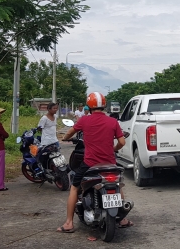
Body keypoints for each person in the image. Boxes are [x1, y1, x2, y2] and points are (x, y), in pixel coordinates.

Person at [57, 91, 132, 235]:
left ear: (89, 106)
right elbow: (122, 142)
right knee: (117, 186)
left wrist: (66, 137)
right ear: (104, 105)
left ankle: (68, 223)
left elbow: (70, 133)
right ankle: (122, 219)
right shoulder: (112, 121)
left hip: (90, 163)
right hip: (110, 163)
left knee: (74, 187)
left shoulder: (84, 120)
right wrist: (113, 148)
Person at [37, 102, 60, 168]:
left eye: (56, 108)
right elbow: (39, 128)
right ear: (49, 109)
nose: (56, 109)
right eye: (54, 108)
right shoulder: (44, 118)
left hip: (55, 140)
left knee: (58, 158)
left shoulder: (55, 117)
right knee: (47, 158)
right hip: (47, 142)